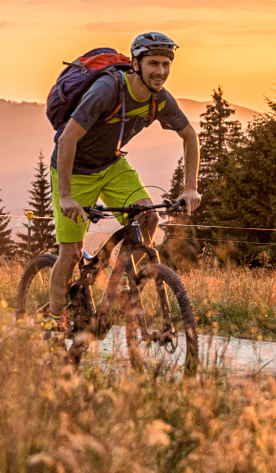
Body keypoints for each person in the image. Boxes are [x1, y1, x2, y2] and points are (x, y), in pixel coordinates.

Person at [45, 31, 202, 326]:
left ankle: (123, 280)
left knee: (148, 218)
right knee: (71, 252)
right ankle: (54, 319)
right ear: (136, 64)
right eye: (154, 63)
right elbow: (67, 139)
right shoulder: (108, 90)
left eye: (166, 64)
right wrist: (66, 196)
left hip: (112, 166)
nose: (161, 72)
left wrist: (190, 188)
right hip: (74, 169)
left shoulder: (159, 99)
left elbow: (189, 135)